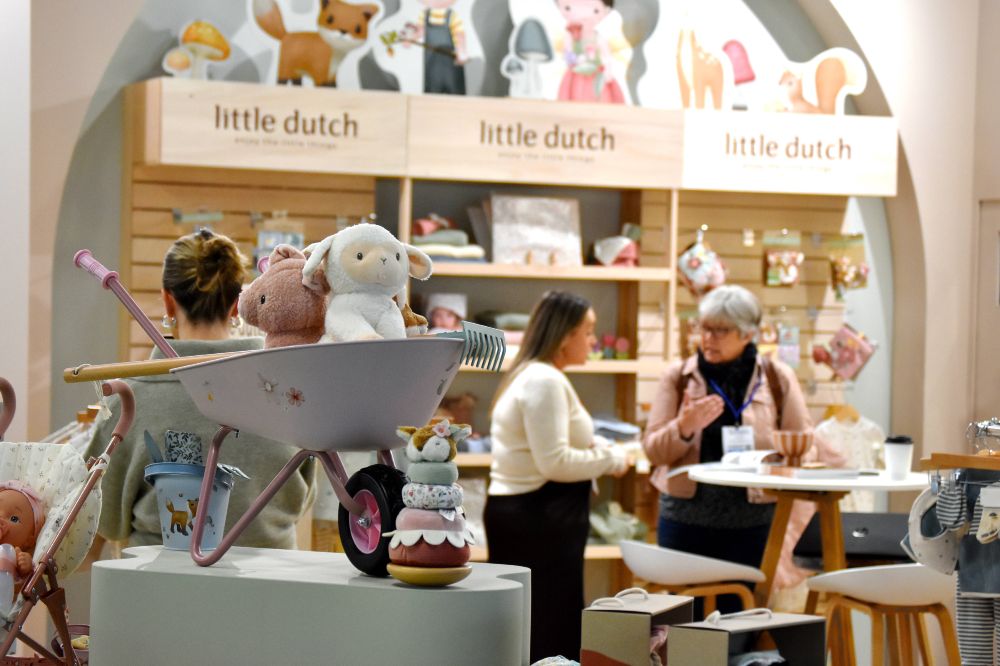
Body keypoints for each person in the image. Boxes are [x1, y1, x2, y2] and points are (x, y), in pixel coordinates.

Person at [85, 229, 316, 549]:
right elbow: (301, 501)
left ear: (168, 301)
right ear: (238, 305)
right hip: (271, 590)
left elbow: (98, 523)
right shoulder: (290, 392)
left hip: (157, 593)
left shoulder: (131, 399)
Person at [642, 285, 813, 612]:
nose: (708, 338)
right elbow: (653, 452)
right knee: (684, 626)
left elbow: (802, 443)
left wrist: (781, 457)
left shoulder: (777, 378)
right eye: (704, 328)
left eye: (720, 330)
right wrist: (683, 427)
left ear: (749, 333)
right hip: (685, 521)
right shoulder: (678, 377)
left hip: (755, 523)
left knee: (741, 623)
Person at [484, 290, 630, 663]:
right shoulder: (543, 380)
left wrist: (597, 445)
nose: (594, 341)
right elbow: (555, 462)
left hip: (533, 516)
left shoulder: (533, 375)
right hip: (540, 518)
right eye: (589, 331)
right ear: (566, 335)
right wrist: (610, 458)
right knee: (549, 626)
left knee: (538, 623)